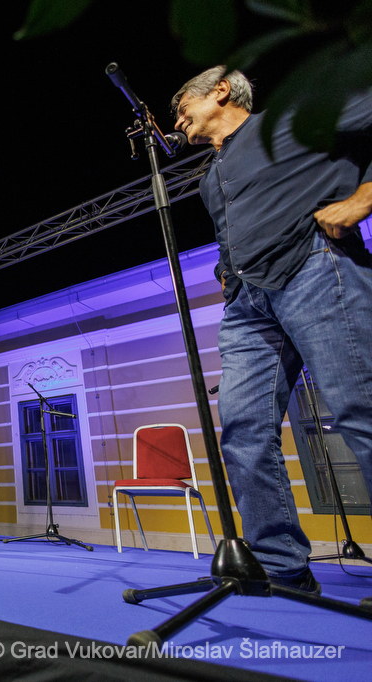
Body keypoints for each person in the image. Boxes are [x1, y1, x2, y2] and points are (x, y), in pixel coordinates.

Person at [171, 67, 372, 593]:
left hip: (315, 268)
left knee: (360, 408)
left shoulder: (288, 121)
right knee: (243, 428)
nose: (177, 120)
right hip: (247, 303)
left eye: (181, 106)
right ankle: (283, 566)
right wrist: (226, 271)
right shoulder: (209, 179)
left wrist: (365, 196)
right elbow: (230, 234)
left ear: (220, 90)